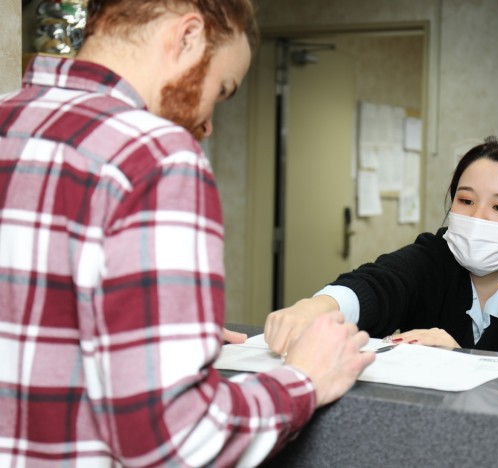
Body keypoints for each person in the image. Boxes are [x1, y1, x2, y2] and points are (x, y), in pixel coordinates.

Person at [0, 1, 374, 466]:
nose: (209, 125)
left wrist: (148, 331)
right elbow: (176, 439)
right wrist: (304, 379)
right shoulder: (156, 154)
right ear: (188, 36)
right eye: (221, 89)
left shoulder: (10, 118)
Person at [265, 136, 498, 362]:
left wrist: (463, 361)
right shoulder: (436, 256)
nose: (478, 217)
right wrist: (317, 307)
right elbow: (380, 284)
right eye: (466, 201)